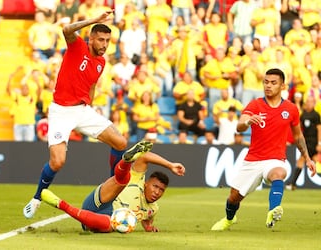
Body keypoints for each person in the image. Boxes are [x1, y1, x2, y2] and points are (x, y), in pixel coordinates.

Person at [23, 11, 131, 219]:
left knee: (120, 142)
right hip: (60, 111)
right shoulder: (77, 46)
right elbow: (66, 30)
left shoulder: (101, 62)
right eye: (101, 39)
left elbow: (91, 84)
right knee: (57, 162)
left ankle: (111, 191)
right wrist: (94, 20)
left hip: (82, 110)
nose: (105, 44)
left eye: (108, 41)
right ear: (91, 38)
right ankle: (36, 198)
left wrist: (89, 105)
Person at [211, 68, 317, 231]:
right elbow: (239, 126)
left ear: (282, 86)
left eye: (273, 83)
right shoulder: (255, 104)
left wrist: (308, 158)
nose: (268, 86)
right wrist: (247, 122)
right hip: (253, 159)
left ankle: (273, 210)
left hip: (275, 159)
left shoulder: (291, 109)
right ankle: (229, 219)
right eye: (266, 82)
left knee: (279, 174)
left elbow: (298, 136)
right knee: (234, 197)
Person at [40, 143, 186, 232]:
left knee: (111, 225)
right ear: (147, 183)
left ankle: (60, 204)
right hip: (101, 200)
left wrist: (148, 227)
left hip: (100, 219)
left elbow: (147, 220)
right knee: (123, 181)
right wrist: (170, 165)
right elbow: (144, 156)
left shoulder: (153, 209)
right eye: (155, 186)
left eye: (161, 190)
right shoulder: (139, 179)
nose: (157, 192)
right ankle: (126, 161)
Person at [286, 96, 321, 190]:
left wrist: (319, 143)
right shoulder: (303, 115)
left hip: (313, 142)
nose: (308, 103)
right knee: (311, 160)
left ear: (314, 103)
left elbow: (319, 129)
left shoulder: (316, 115)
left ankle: (292, 184)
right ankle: (293, 184)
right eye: (307, 102)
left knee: (301, 160)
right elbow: (298, 129)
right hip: (306, 141)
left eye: (310, 102)